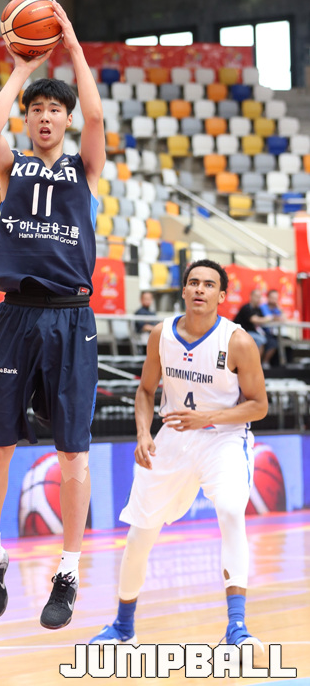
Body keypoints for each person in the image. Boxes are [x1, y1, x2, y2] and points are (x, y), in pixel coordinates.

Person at [0, 0, 105, 631]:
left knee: (73, 454)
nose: (46, 116)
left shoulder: (85, 168)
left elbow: (97, 115)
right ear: (28, 119)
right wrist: (23, 68)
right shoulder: (13, 167)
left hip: (73, 319)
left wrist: (72, 48)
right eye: (37, 109)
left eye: (56, 109)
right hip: (17, 315)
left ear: (67, 120)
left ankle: (68, 572)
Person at [90, 259, 268, 660]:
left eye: (209, 284)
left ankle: (236, 627)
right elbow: (145, 391)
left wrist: (209, 417)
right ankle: (123, 627)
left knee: (230, 511)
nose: (200, 289)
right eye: (194, 283)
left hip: (223, 438)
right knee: (139, 534)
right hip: (172, 437)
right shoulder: (162, 334)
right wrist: (142, 433)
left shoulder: (238, 341)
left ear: (222, 296)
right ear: (184, 291)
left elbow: (259, 405)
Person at [233, 288, 278, 365]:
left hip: (254, 332)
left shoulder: (257, 309)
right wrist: (268, 318)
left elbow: (263, 319)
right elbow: (254, 319)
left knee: (270, 340)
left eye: (259, 297)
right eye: (256, 296)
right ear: (251, 296)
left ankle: (261, 363)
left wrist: (274, 315)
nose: (258, 299)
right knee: (261, 340)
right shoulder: (246, 307)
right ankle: (255, 364)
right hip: (241, 332)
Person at [259, 289, 286, 366]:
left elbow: (284, 319)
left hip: (273, 332)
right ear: (268, 297)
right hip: (262, 331)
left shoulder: (276, 308)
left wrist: (279, 308)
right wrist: (275, 317)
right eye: (273, 297)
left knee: (285, 339)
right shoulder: (263, 307)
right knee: (272, 343)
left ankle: (278, 364)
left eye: (276, 298)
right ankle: (264, 362)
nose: (274, 300)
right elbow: (268, 318)